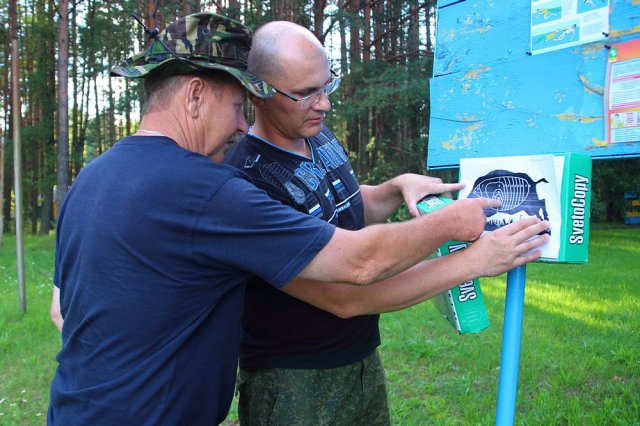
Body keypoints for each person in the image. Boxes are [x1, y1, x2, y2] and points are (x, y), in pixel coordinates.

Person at [48, 12, 548, 426]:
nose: (241, 123)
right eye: (237, 105)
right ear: (195, 95)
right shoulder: (209, 188)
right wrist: (462, 237)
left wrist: (394, 189)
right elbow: (358, 265)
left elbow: (61, 308)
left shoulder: (92, 180)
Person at [224, 21, 548, 426]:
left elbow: (340, 207)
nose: (324, 104)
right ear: (258, 92)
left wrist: (394, 188)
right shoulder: (246, 183)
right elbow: (347, 296)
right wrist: (472, 260)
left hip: (361, 360)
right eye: (306, 93)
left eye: (327, 86)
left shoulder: (315, 134)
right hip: (295, 383)